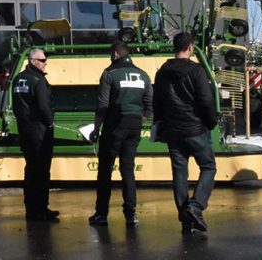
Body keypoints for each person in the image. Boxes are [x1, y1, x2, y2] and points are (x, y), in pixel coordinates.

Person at [153, 32, 219, 236]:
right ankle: (196, 206)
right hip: (195, 128)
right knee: (208, 167)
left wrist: (161, 125)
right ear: (190, 47)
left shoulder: (162, 71)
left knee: (179, 174)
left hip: (173, 130)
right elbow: (206, 100)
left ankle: (185, 220)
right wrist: (211, 121)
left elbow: (157, 101)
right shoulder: (197, 71)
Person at [88, 41, 153, 226]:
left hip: (114, 125)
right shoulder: (143, 75)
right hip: (134, 126)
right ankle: (131, 214)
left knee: (105, 171)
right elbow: (150, 104)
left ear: (116, 55)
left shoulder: (110, 73)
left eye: (111, 55)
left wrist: (96, 128)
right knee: (128, 171)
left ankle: (101, 214)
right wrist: (141, 119)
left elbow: (102, 104)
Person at [12, 47, 58, 222]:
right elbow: (43, 106)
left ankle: (30, 208)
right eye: (42, 60)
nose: (45, 64)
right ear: (33, 61)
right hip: (40, 131)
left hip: (24, 129)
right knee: (42, 171)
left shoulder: (17, 80)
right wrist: (50, 122)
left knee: (30, 169)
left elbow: (17, 106)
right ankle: (41, 209)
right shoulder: (38, 81)